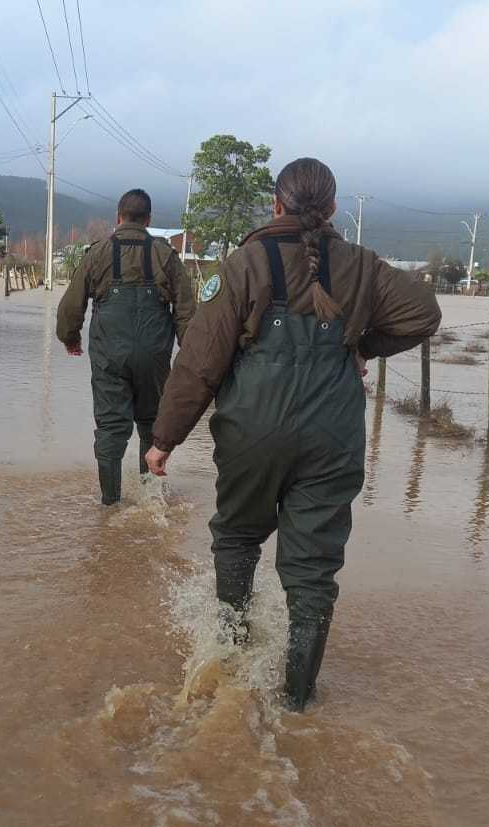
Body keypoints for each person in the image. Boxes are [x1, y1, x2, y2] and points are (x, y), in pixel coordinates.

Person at [145, 158, 441, 710]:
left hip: (253, 429)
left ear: (275, 205)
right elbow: (424, 314)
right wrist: (358, 346)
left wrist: (165, 436)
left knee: (236, 537)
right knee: (313, 569)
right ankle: (297, 703)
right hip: (333, 433)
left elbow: (200, 362)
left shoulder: (245, 263)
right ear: (331, 209)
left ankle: (227, 660)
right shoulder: (363, 265)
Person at [56, 189, 196, 505]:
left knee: (110, 428)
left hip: (110, 357)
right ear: (148, 220)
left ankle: (110, 503)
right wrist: (190, 357)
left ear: (118, 218)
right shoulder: (166, 256)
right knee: (151, 425)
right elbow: (187, 312)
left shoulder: (97, 254)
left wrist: (70, 338)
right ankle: (149, 500)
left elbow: (69, 308)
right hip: (154, 358)